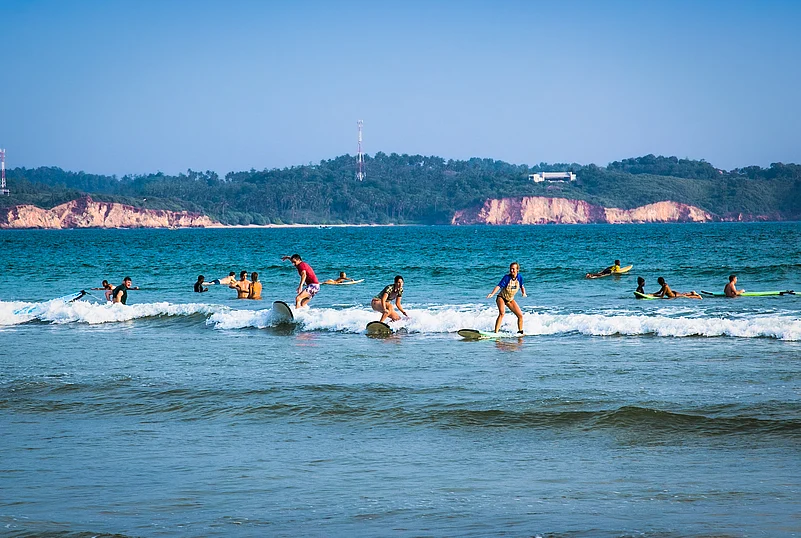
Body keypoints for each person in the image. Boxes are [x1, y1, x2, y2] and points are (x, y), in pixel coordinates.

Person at [487, 262, 527, 333]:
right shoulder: (507, 277)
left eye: (513, 269)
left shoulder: (520, 277)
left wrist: (523, 293)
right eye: (511, 269)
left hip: (510, 300)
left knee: (520, 315)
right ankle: (496, 332)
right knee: (502, 313)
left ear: (517, 270)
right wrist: (492, 293)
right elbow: (498, 286)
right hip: (501, 297)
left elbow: (522, 286)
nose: (512, 270)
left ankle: (520, 332)